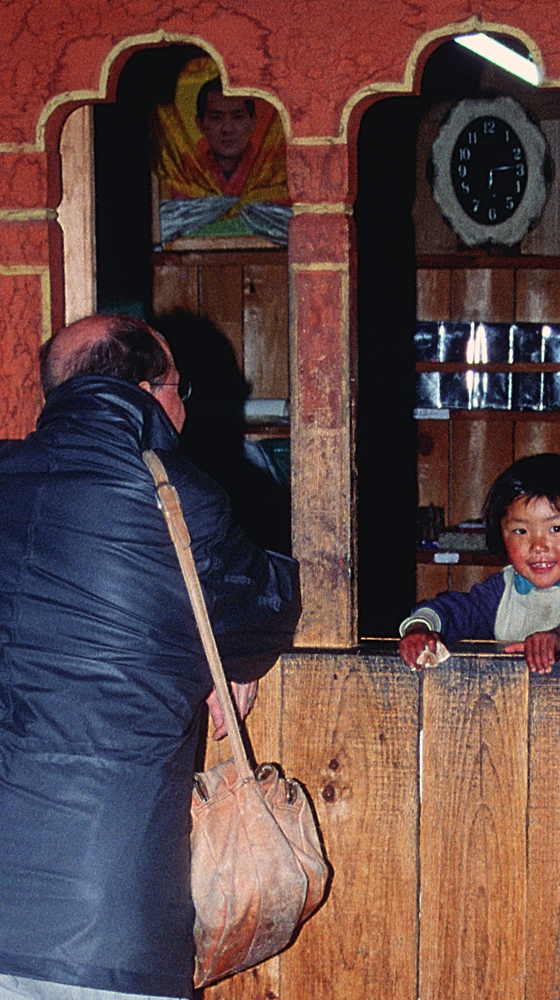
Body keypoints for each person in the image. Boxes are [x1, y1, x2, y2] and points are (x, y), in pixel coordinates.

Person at [0, 314, 301, 1000]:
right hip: (104, 912)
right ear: (152, 390)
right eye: (179, 385)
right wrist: (230, 662)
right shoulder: (173, 495)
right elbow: (263, 602)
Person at [399, 454, 560, 675]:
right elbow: (458, 609)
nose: (538, 546)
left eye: (556, 529)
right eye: (520, 531)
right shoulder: (504, 589)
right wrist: (419, 628)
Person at [153, 56, 291, 244]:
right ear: (200, 124)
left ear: (253, 122)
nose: (227, 129)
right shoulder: (184, 177)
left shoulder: (274, 176)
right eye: (216, 118)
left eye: (237, 117)